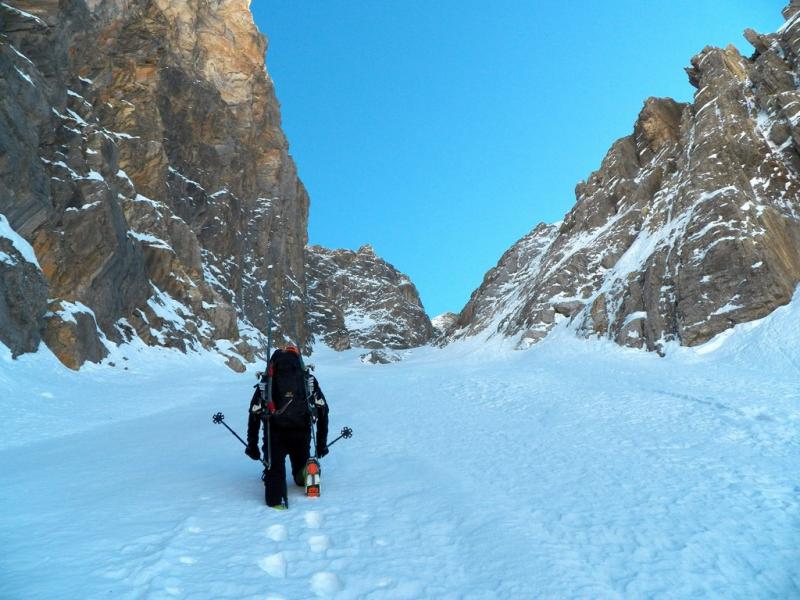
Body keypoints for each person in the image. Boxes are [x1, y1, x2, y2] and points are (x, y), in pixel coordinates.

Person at [245, 344, 329, 509]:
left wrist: (252, 446)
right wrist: (321, 444)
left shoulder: (268, 380)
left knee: (274, 469)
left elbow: (253, 414)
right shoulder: (307, 380)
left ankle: (277, 500)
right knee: (299, 469)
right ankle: (306, 472)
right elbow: (323, 411)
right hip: (301, 431)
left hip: (274, 432)